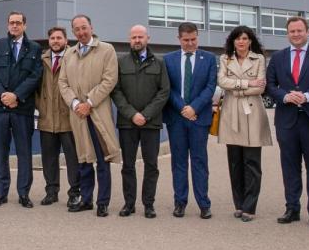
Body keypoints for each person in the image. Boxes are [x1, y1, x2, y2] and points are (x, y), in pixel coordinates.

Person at [265, 16, 309, 228]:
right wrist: (285, 96)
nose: (296, 34)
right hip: (286, 120)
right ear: (287, 34)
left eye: (299, 31)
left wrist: (308, 95)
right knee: (289, 166)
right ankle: (292, 208)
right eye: (292, 31)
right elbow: (270, 85)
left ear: (307, 32)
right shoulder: (278, 58)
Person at [58, 14, 121, 217]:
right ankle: (86, 199)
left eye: (84, 27)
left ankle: (102, 202)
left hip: (97, 113)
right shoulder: (69, 54)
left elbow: (109, 79)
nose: (81, 32)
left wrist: (89, 102)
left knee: (102, 160)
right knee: (83, 159)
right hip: (78, 115)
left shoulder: (106, 50)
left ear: (91, 27)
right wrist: (76, 103)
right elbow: (63, 83)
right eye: (77, 29)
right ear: (73, 32)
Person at [0, 11, 43, 208]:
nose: (15, 26)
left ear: (25, 25)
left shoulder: (34, 48)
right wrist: (4, 95)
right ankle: (1, 193)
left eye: (18, 23)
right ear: (8, 25)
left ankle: (24, 194)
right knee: (0, 152)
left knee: (24, 153)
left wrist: (16, 96)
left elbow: (35, 76)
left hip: (22, 108)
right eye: (12, 23)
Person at [111, 25, 169, 218]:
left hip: (150, 123)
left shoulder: (159, 63)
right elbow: (116, 91)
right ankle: (129, 203)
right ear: (130, 39)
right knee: (128, 165)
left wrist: (146, 114)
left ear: (148, 38)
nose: (137, 40)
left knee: (151, 165)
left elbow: (164, 92)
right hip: (127, 123)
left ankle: (148, 204)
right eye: (134, 37)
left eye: (140, 37)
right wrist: (132, 114)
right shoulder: (121, 62)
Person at [163, 22, 218, 219]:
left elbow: (211, 87)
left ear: (198, 37)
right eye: (186, 40)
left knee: (199, 161)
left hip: (199, 117)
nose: (190, 43)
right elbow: (167, 88)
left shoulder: (209, 59)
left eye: (193, 39)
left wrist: (194, 107)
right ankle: (180, 202)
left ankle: (204, 203)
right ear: (179, 39)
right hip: (176, 118)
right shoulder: (168, 60)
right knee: (178, 162)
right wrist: (182, 108)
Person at [216, 26, 269, 222]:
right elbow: (222, 81)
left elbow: (260, 87)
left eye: (245, 38)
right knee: (235, 162)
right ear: (232, 41)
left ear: (250, 41)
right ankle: (238, 204)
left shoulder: (259, 59)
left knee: (252, 162)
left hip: (252, 112)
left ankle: (250, 206)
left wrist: (235, 86)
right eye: (237, 38)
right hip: (231, 113)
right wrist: (247, 84)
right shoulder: (225, 59)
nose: (241, 42)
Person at [36, 26, 81, 207]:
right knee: (49, 159)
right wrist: (42, 107)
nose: (56, 41)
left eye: (59, 38)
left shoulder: (74, 58)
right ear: (49, 41)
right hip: (47, 119)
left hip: (68, 119)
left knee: (72, 159)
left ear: (65, 40)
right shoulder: (41, 60)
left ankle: (74, 192)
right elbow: (35, 89)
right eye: (52, 38)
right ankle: (51, 192)